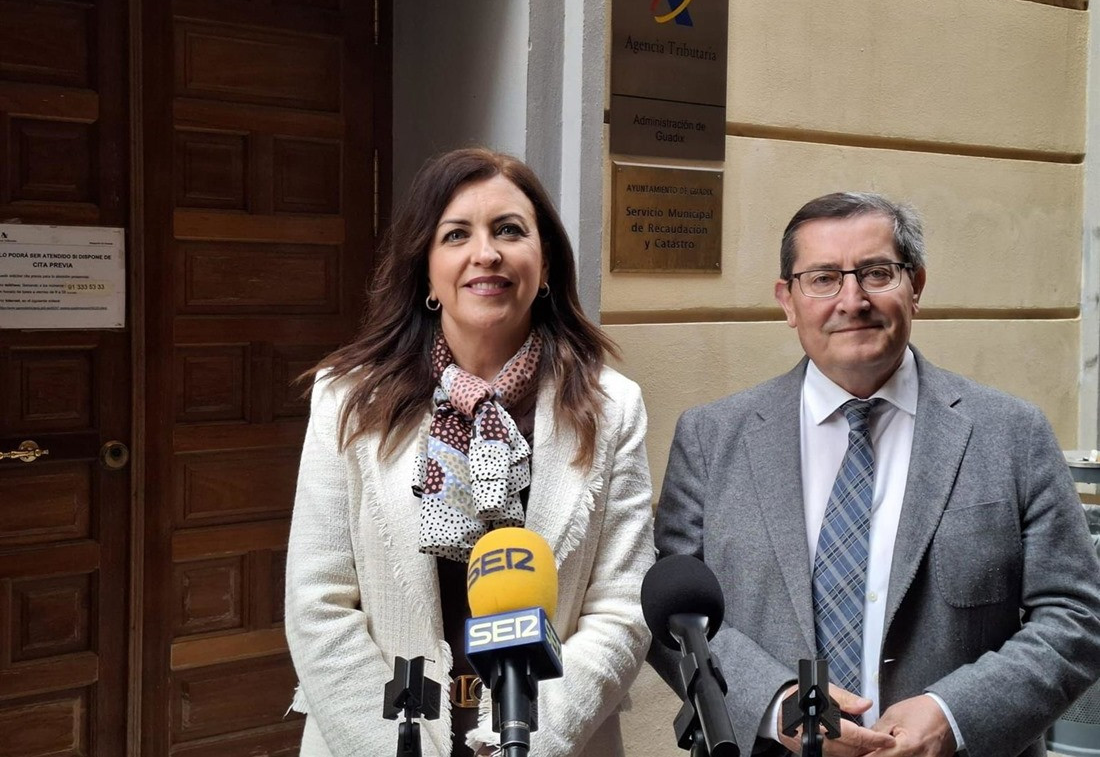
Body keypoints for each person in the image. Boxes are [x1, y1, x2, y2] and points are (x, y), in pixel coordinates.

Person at [650, 192, 1100, 757]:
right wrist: (776, 703)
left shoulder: (1010, 433)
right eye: (822, 279)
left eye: (876, 273)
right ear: (787, 301)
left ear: (917, 286)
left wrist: (952, 715)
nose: (852, 299)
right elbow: (671, 618)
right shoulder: (713, 438)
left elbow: (1077, 617)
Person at [285, 148, 654, 757]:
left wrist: (525, 740)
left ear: (547, 262)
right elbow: (317, 602)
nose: (487, 253)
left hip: (543, 739)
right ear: (426, 270)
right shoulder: (347, 401)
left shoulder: (611, 407)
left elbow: (620, 608)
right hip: (382, 738)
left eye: (510, 230)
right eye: (457, 234)